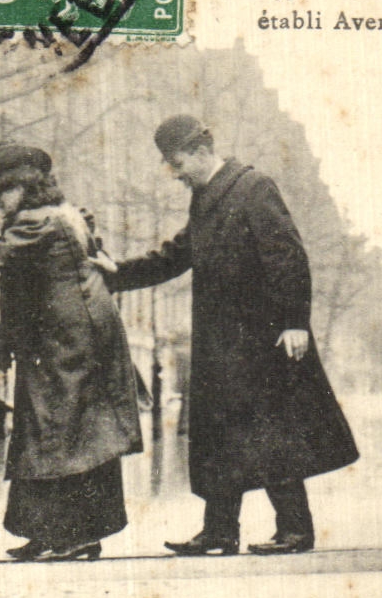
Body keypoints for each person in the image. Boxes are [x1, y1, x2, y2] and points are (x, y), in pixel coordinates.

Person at [107, 115, 358, 555]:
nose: (174, 173)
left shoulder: (253, 187)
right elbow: (174, 256)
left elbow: (287, 255)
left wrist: (294, 321)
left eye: (177, 163)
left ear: (202, 151)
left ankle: (296, 530)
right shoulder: (206, 198)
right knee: (220, 435)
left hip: (263, 340)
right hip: (221, 343)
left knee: (273, 432)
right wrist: (115, 274)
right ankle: (220, 531)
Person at [0, 142, 143, 561]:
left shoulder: (38, 221)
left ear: (24, 188)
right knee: (50, 431)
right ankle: (49, 532)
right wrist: (8, 343)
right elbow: (18, 286)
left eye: (3, 194)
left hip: (71, 343)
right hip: (69, 338)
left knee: (63, 435)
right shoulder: (62, 215)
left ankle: (74, 536)